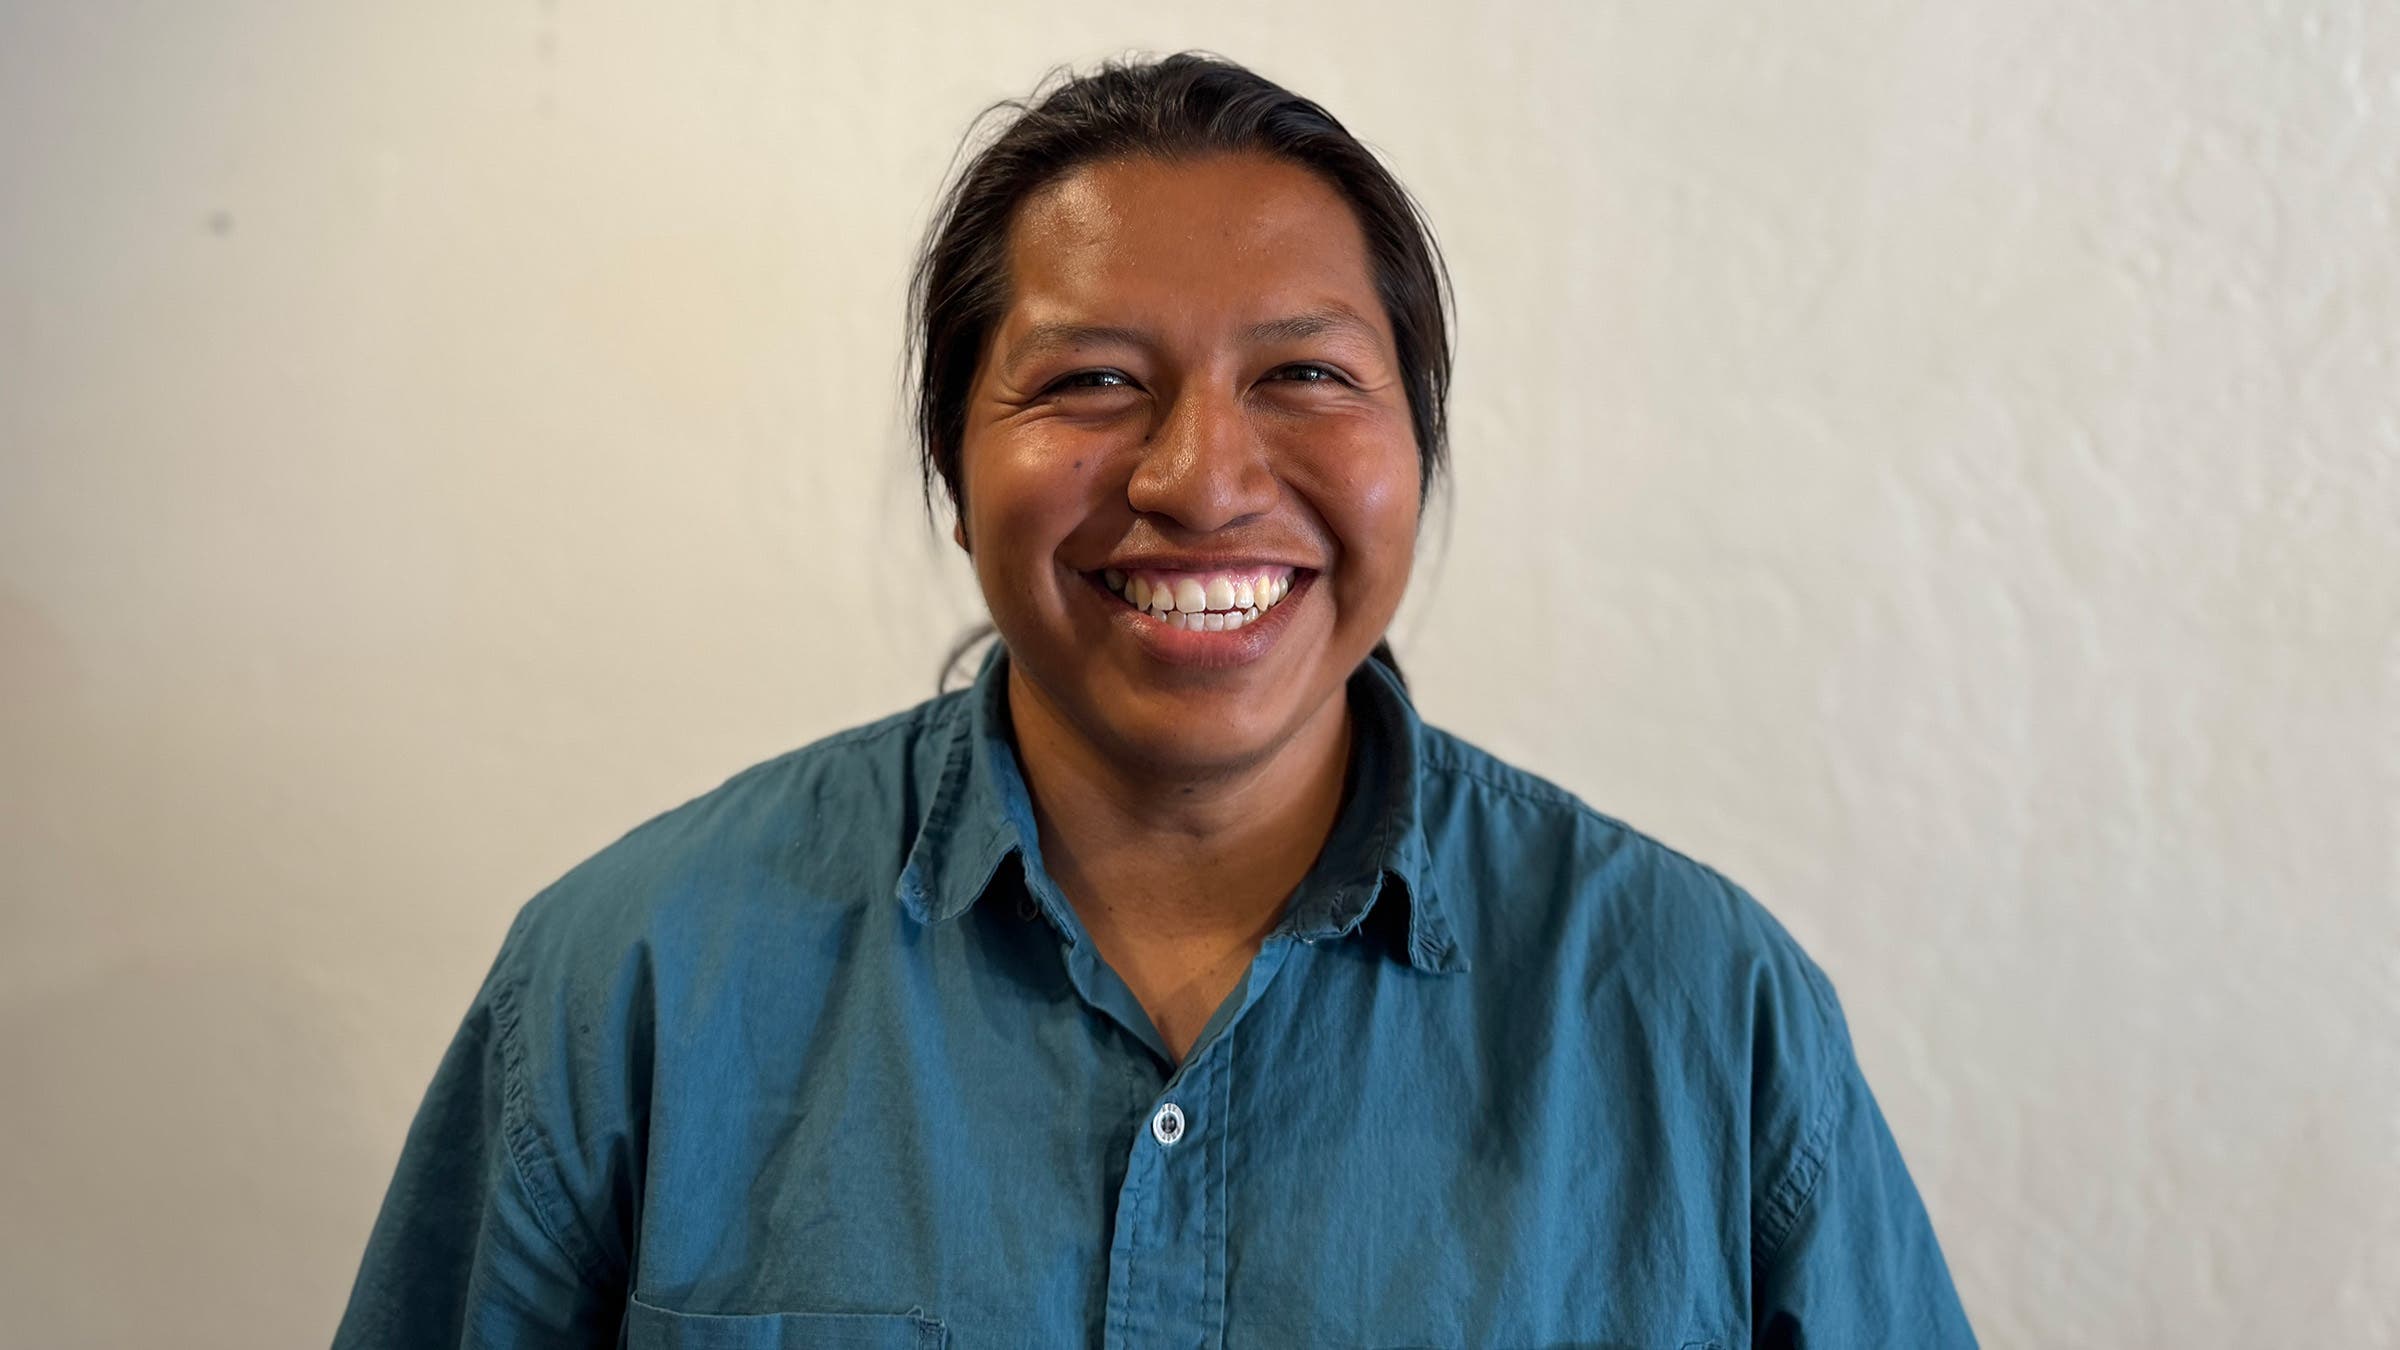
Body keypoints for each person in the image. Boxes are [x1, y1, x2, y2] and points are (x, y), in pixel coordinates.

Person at [335, 52, 1976, 1349]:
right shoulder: (634, 983)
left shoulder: (1705, 1018)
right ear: (952, 475)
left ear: (1418, 452)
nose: (1201, 479)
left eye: (1306, 376)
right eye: (1092, 381)